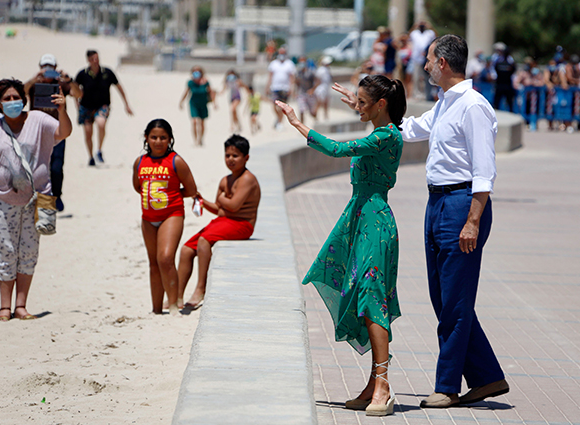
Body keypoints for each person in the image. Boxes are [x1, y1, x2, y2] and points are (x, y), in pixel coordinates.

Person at [351, 34, 508, 408]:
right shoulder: (445, 103)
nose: (424, 66)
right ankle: (487, 377)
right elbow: (410, 130)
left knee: (453, 303)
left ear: (443, 64)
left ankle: (447, 386)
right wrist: (374, 112)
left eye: (429, 60)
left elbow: (485, 171)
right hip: (437, 203)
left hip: (461, 205)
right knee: (445, 299)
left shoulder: (474, 107)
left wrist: (473, 221)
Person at [278, 74, 407, 417]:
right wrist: (361, 106)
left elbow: (336, 149)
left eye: (364, 103)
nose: (357, 108)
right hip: (359, 219)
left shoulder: (385, 136)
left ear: (381, 105)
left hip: (375, 223)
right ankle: (374, 382)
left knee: (371, 295)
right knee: (362, 294)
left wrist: (297, 123)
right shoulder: (379, 129)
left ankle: (382, 382)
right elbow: (369, 118)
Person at [0, 78, 72, 321]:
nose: (12, 102)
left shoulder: (38, 120)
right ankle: (5, 308)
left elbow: (64, 132)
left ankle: (21, 306)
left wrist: (62, 109)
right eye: (6, 98)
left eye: (16, 97)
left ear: (24, 99)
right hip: (2, 200)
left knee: (28, 251)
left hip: (35, 200)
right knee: (6, 251)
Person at [178, 135, 260, 309]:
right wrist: (201, 200)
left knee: (204, 240)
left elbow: (234, 206)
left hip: (243, 224)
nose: (230, 159)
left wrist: (223, 200)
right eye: (227, 155)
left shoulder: (247, 179)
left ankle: (201, 287)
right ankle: (176, 296)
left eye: (235, 156)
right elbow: (218, 208)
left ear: (246, 158)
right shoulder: (225, 180)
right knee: (186, 249)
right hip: (225, 221)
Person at [132, 119, 198, 315]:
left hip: (172, 214)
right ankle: (156, 309)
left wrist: (172, 196)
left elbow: (191, 189)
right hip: (147, 217)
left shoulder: (176, 161)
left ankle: (175, 303)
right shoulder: (140, 162)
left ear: (170, 139)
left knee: (166, 258)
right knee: (153, 262)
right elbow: (138, 187)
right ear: (146, 138)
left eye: (163, 137)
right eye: (154, 137)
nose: (158, 141)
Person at [24, 53, 82, 211]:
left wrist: (68, 80)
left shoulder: (61, 85)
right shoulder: (34, 85)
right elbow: (21, 93)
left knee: (56, 167)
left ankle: (57, 196)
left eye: (51, 68)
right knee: (36, 167)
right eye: (45, 68)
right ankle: (37, 199)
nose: (48, 71)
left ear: (56, 69)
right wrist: (34, 79)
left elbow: (78, 94)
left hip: (57, 131)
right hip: (35, 132)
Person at [75, 49, 133, 166]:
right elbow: (74, 90)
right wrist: (77, 106)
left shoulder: (107, 72)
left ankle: (99, 150)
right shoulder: (82, 74)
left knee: (101, 124)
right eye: (92, 59)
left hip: (102, 106)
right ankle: (91, 157)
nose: (95, 61)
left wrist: (126, 104)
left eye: (97, 58)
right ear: (88, 60)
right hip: (86, 106)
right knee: (88, 132)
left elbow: (119, 88)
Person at [179, 66, 215, 146]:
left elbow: (211, 92)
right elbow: (186, 92)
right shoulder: (190, 82)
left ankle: (200, 139)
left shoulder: (206, 82)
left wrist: (214, 103)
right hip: (193, 104)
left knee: (202, 123)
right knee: (194, 121)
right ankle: (195, 140)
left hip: (203, 104)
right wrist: (181, 102)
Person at [266, 47, 296, 130]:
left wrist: (291, 88)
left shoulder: (289, 64)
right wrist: (267, 87)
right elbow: (270, 76)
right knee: (274, 106)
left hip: (285, 88)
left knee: (282, 107)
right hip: (275, 88)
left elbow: (292, 77)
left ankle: (279, 122)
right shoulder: (273, 64)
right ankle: (279, 119)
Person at [294, 56, 318, 123]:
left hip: (309, 94)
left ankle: (316, 121)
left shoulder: (310, 72)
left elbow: (317, 81)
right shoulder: (298, 73)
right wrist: (295, 92)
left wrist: (312, 90)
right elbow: (296, 83)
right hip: (301, 93)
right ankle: (302, 126)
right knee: (301, 110)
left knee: (312, 112)